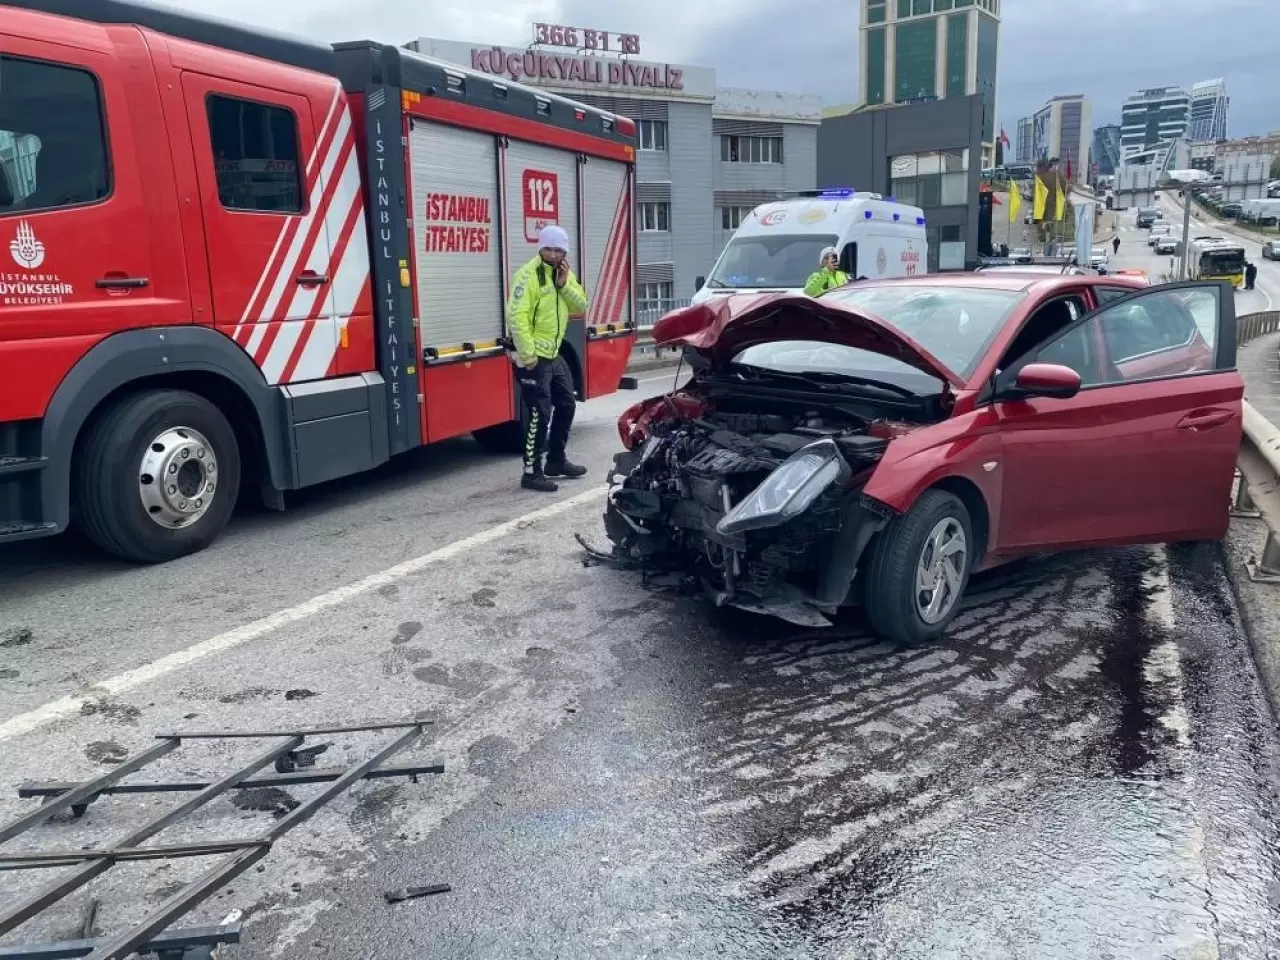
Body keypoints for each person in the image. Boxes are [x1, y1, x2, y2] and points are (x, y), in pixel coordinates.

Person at [506, 225, 589, 492]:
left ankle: (556, 460)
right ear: (540, 247)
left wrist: (564, 286)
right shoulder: (528, 275)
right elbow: (516, 317)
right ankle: (531, 472)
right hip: (533, 357)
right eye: (548, 248)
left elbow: (581, 305)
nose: (553, 254)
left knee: (566, 405)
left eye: (558, 249)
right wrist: (528, 356)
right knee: (539, 414)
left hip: (554, 354)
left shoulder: (564, 273)